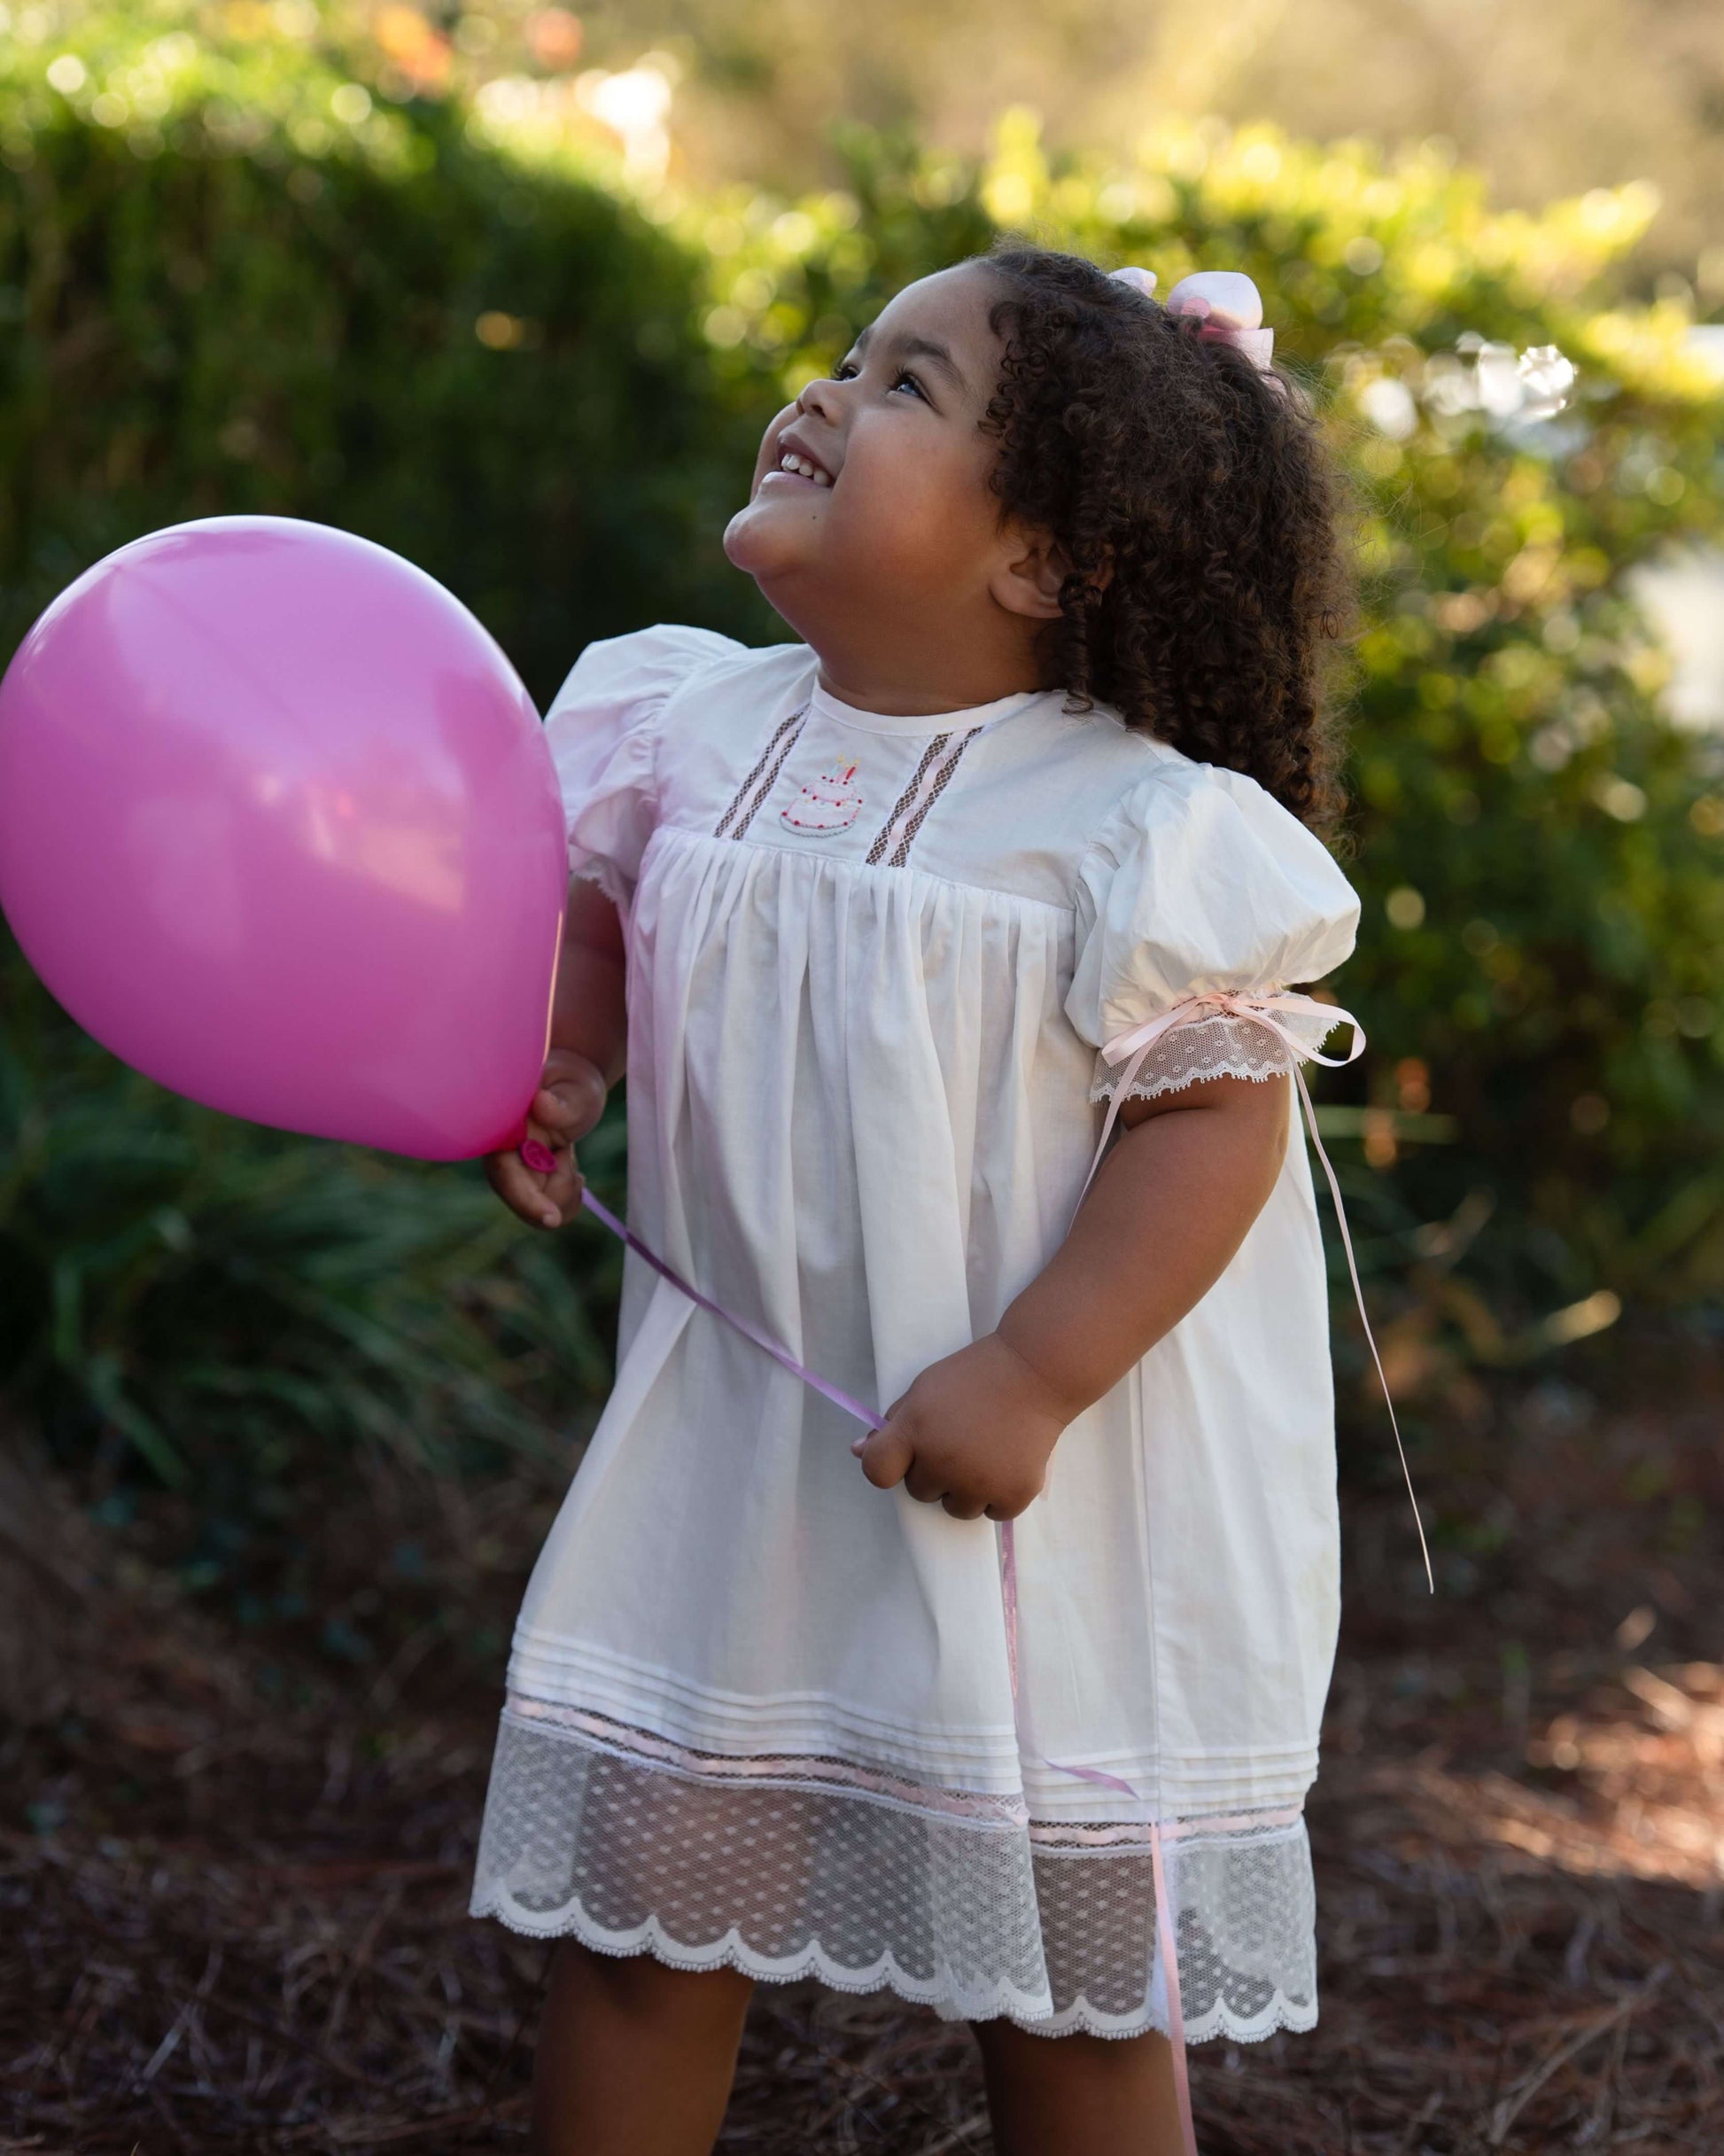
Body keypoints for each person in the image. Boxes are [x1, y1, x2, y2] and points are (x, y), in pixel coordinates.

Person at [470, 242, 1363, 2156]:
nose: (821, 394)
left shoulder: (1127, 825)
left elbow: (1213, 1125)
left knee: (1064, 1990)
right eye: (847, 358)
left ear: (1040, 559)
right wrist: (559, 1062)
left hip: (1027, 1483)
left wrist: (1036, 1371)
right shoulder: (684, 730)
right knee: (636, 1913)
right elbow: (610, 931)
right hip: (738, 1447)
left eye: (903, 386)